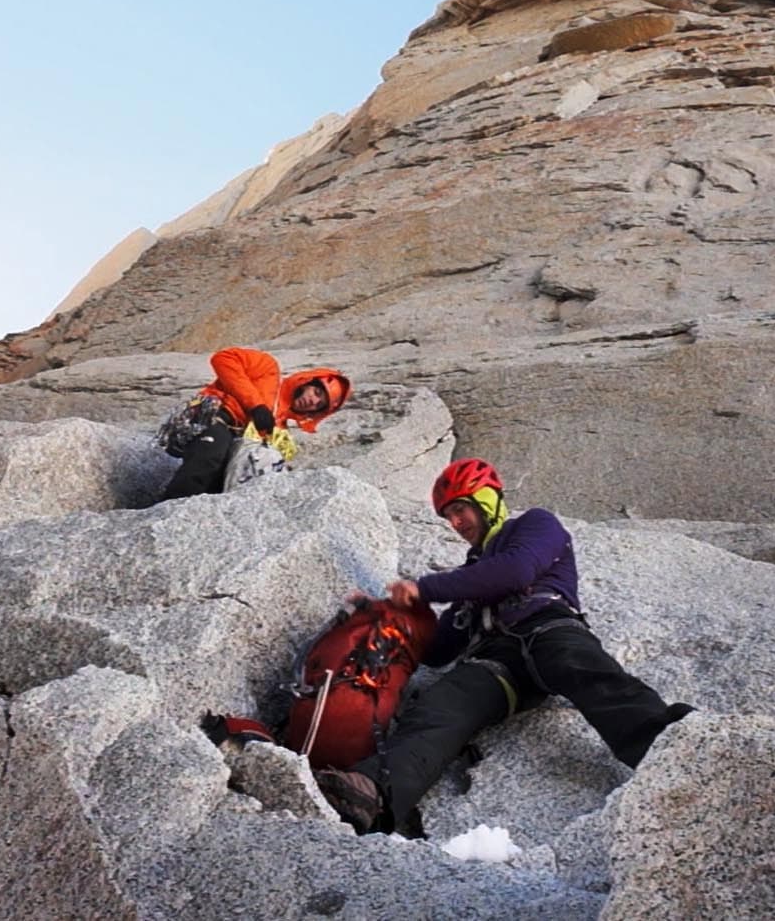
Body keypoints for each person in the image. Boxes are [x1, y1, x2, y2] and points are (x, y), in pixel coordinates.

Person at [315, 458, 692, 835]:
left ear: (487, 498)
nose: (456, 524)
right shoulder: (472, 578)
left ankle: (682, 757)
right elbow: (440, 649)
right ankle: (371, 792)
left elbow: (517, 570)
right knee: (440, 708)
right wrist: (389, 615)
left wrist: (426, 588)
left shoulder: (536, 526)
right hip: (496, 662)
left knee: (593, 676)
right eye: (448, 516)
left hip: (549, 628)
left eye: (460, 509)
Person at [157, 346, 350, 501]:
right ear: (306, 382)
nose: (312, 401)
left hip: (230, 440)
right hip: (212, 416)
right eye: (316, 392)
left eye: (319, 404)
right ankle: (166, 513)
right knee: (211, 455)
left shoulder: (278, 429)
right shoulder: (267, 369)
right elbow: (223, 358)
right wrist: (255, 405)